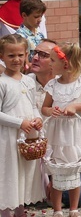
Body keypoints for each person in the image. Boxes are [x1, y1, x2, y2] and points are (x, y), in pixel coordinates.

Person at [40, 43, 81, 217]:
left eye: (53, 60)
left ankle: (73, 208)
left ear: (66, 64)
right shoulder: (52, 84)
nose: (49, 63)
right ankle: (57, 209)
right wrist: (51, 111)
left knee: (74, 168)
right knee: (57, 169)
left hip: (74, 132)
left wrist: (75, 106)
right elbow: (45, 108)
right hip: (57, 132)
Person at [0, 34, 44, 217]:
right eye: (11, 56)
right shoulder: (2, 83)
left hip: (26, 137)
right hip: (8, 137)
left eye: (20, 55)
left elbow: (32, 105)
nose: (16, 59)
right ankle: (4, 210)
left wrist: (37, 118)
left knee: (23, 173)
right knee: (9, 172)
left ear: (26, 54)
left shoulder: (28, 81)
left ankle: (20, 209)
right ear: (2, 56)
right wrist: (19, 122)